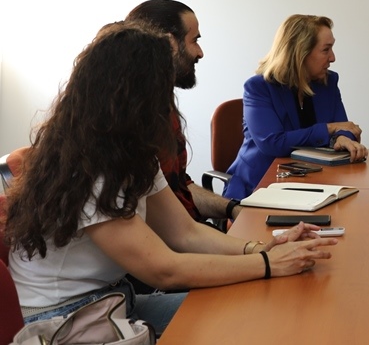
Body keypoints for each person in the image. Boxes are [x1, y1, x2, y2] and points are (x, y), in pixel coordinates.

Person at [2, 22, 337, 336]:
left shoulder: (127, 152)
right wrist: (266, 263)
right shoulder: (91, 170)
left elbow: (185, 233)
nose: (169, 100)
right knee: (241, 323)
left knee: (251, 307)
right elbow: (165, 270)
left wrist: (261, 249)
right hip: (63, 321)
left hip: (112, 300)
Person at [126, 0, 242, 225]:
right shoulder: (131, 120)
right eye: (195, 40)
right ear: (169, 44)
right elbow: (174, 231)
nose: (200, 53)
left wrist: (233, 208)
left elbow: (179, 187)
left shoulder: (163, 103)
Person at [223, 15, 367, 199]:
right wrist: (329, 129)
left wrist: (343, 138)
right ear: (300, 53)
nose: (333, 57)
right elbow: (273, 143)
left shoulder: (328, 82)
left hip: (315, 182)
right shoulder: (258, 88)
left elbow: (343, 126)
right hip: (259, 186)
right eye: (326, 49)